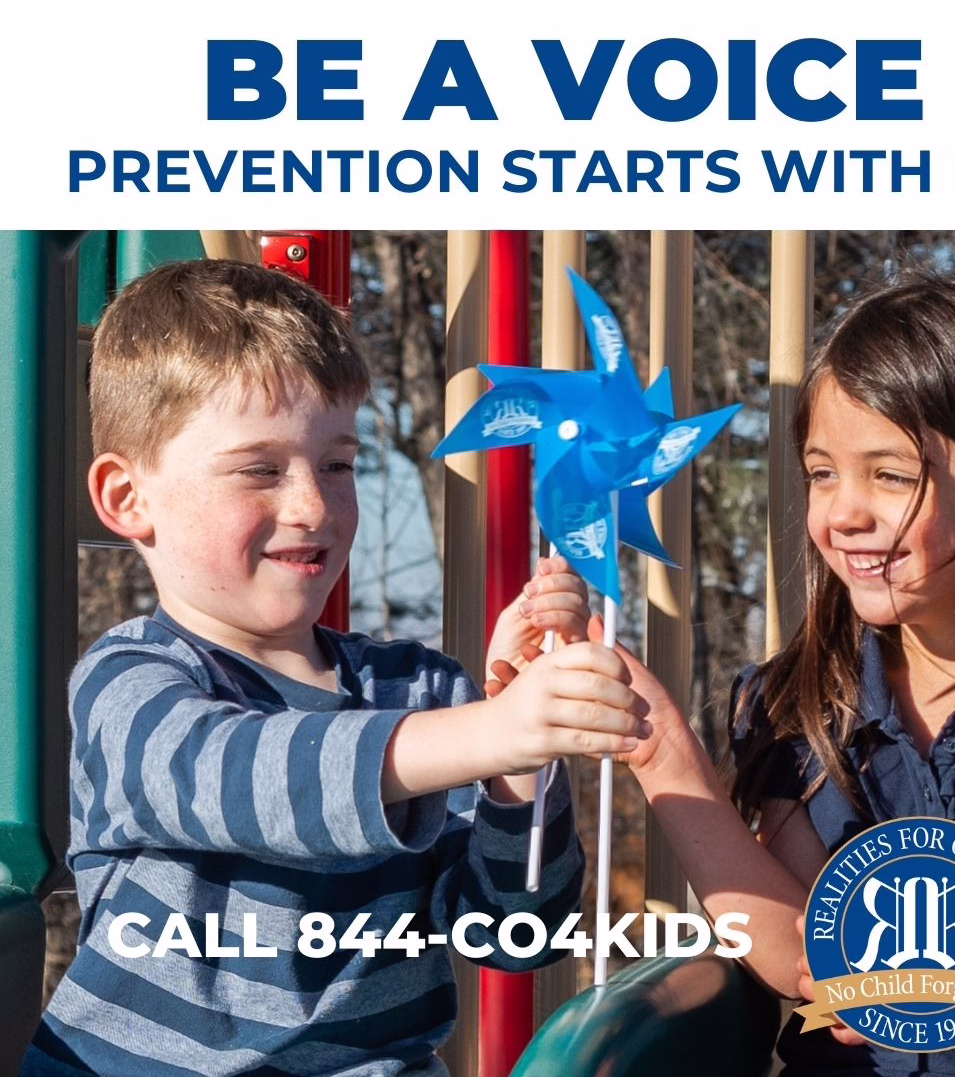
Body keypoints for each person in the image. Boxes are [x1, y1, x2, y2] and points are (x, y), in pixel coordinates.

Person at [22, 259, 649, 1077]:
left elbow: (513, 931)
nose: (313, 504)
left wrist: (519, 767)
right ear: (127, 497)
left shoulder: (421, 690)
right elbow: (244, 778)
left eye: (339, 464)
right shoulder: (131, 681)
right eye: (260, 468)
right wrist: (490, 733)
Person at [589, 271, 955, 1074]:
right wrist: (658, 748)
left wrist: (933, 995)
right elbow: (796, 951)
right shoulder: (800, 700)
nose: (842, 511)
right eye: (822, 472)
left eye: (891, 474)